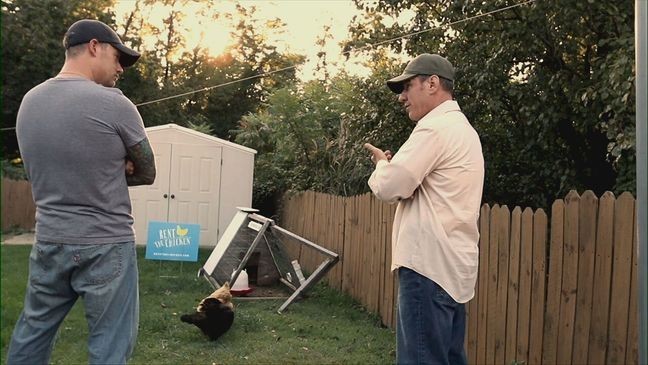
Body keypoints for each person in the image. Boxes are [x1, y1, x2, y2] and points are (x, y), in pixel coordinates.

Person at [7, 19, 156, 365]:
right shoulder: (116, 105)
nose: (121, 67)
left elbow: (40, 172)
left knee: (33, 332)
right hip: (106, 245)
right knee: (110, 345)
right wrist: (117, 169)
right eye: (118, 57)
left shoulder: (29, 103)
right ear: (94, 47)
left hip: (49, 242)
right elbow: (147, 171)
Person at [364, 53, 484, 365]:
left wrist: (381, 166)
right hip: (453, 272)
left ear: (432, 83)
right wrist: (394, 170)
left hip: (427, 269)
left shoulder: (435, 128)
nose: (402, 97)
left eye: (406, 87)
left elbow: (391, 186)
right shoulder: (464, 131)